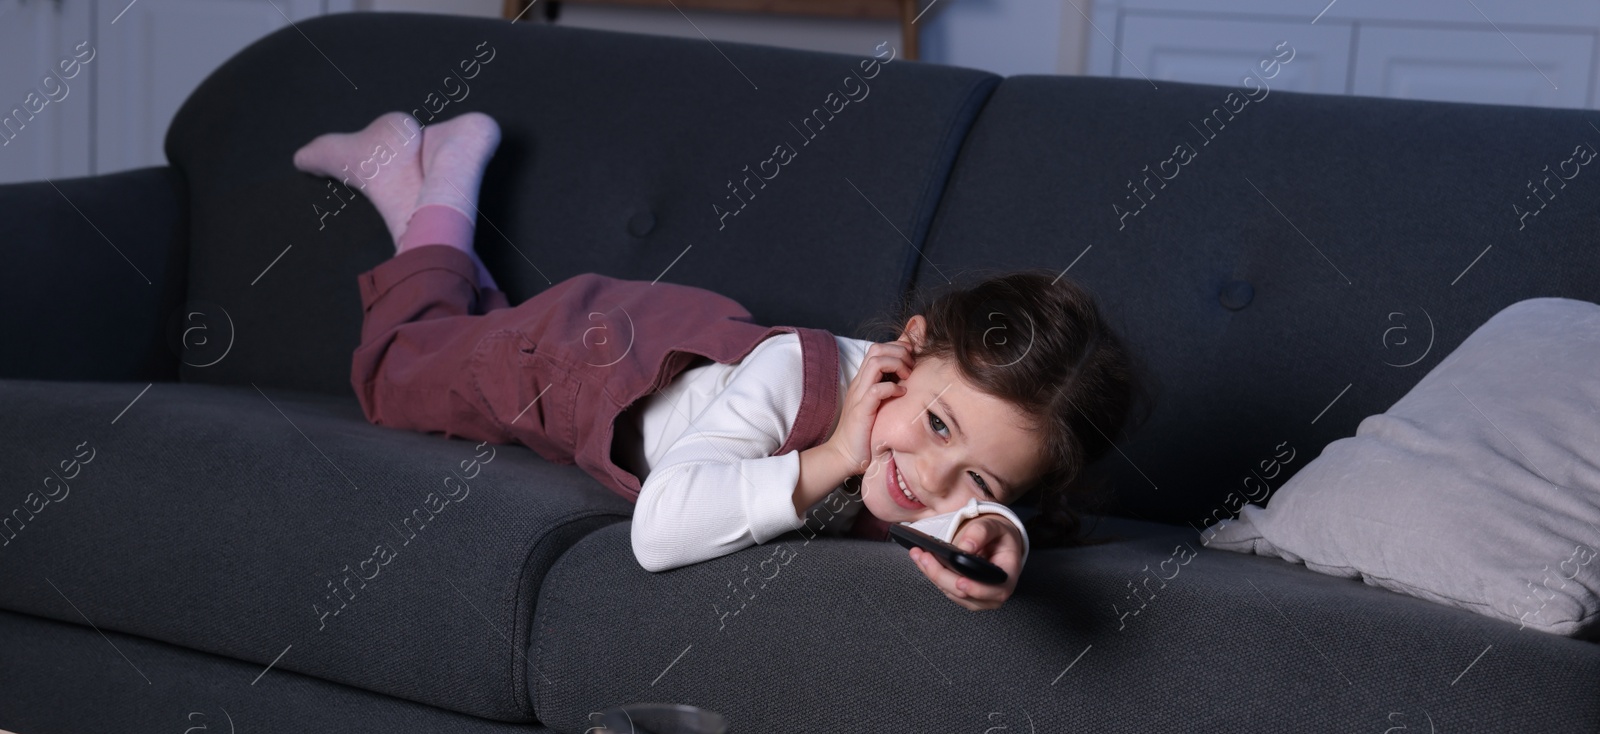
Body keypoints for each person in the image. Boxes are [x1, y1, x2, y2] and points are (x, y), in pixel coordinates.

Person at [292, 111, 1145, 610]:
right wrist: (837, 456)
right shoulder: (803, 385)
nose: (930, 478)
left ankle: (426, 194)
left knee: (456, 338)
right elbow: (660, 533)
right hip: (578, 361)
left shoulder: (937, 468)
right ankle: (426, 181)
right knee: (397, 372)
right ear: (907, 352)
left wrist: (995, 535)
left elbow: (973, 520)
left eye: (983, 482)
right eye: (935, 425)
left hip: (669, 345)